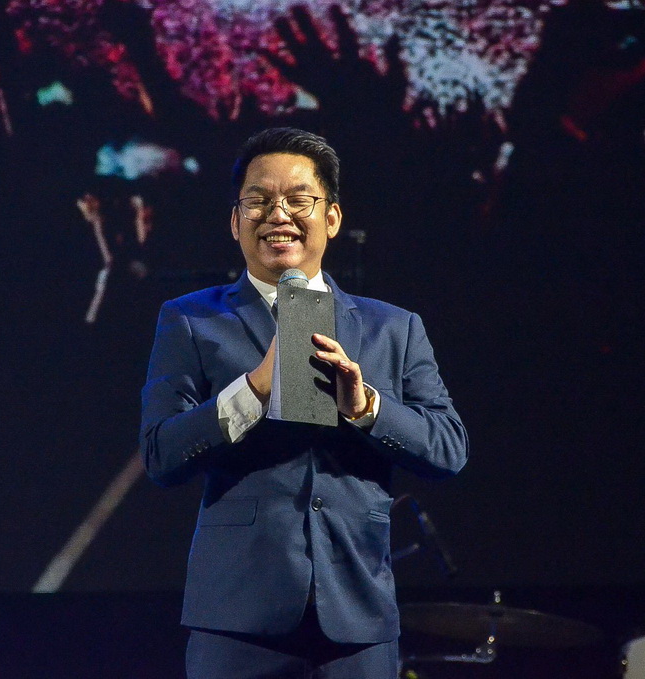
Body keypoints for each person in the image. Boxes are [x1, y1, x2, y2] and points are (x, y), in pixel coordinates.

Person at [140, 127, 468, 679]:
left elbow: (448, 449)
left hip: (358, 620)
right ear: (235, 221)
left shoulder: (394, 328)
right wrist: (253, 390)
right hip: (237, 620)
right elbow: (160, 454)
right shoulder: (191, 319)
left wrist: (366, 407)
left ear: (332, 218)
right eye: (258, 201)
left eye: (299, 200)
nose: (278, 215)